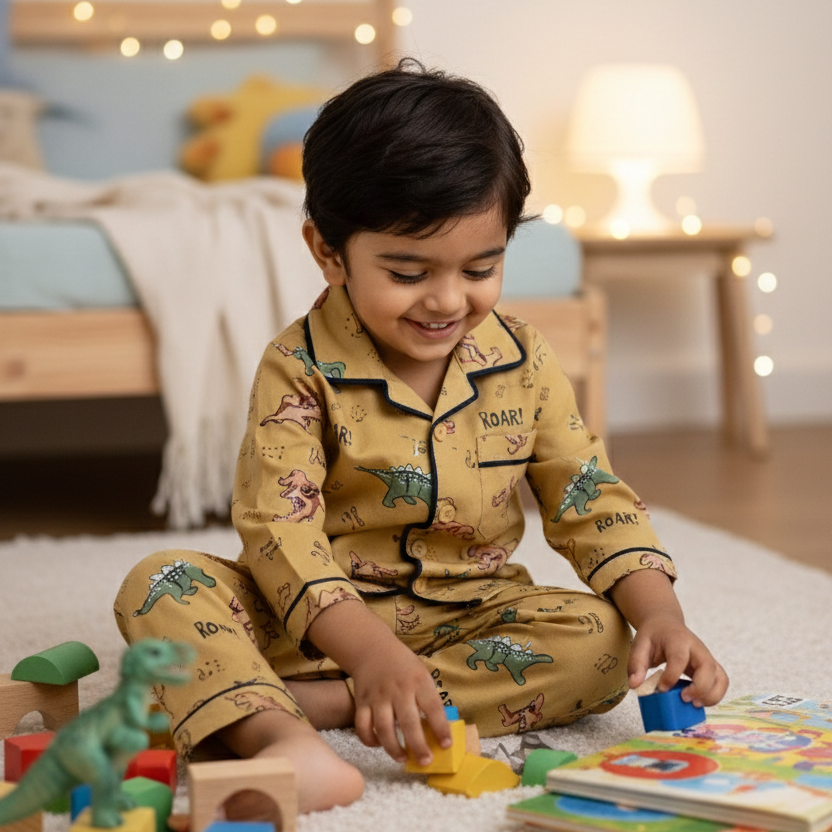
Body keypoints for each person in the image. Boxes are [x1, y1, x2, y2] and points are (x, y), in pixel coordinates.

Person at [114, 59, 728, 820]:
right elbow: (281, 530)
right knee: (162, 584)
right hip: (309, 623)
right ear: (328, 252)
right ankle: (280, 734)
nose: (446, 300)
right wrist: (370, 653)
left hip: (468, 611)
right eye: (407, 272)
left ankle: (325, 707)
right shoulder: (298, 368)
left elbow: (586, 493)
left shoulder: (524, 358)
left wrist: (661, 614)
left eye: (481, 267)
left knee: (601, 640)